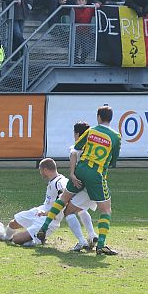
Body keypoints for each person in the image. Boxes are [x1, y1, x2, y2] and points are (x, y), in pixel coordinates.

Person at [36, 104, 121, 256]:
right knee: (106, 210)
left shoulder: (91, 131)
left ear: (98, 117)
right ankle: (100, 245)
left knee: (64, 200)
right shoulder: (115, 136)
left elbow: (75, 149)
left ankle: (44, 228)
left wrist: (73, 174)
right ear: (111, 119)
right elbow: (113, 161)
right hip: (96, 174)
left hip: (80, 170)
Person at [0, 158, 68, 246]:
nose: (40, 173)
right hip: (40, 211)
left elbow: (64, 198)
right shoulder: (54, 180)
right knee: (13, 223)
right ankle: (6, 237)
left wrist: (47, 213)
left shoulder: (60, 182)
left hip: (51, 220)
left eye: (40, 170)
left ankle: (34, 240)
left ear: (45, 170)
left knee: (16, 239)